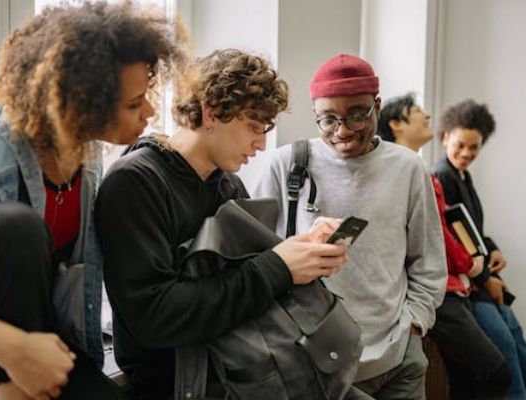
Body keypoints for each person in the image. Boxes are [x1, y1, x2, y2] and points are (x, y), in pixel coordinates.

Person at [0, 2, 182, 399]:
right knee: (13, 228)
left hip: (36, 341)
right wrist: (14, 349)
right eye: (134, 104)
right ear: (77, 104)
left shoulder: (86, 157)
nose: (149, 111)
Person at [95, 49, 362, 400]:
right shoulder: (134, 183)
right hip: (179, 386)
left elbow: (248, 284)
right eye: (254, 127)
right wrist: (279, 266)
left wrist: (303, 254)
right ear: (211, 112)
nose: (261, 144)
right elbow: (155, 316)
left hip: (249, 374)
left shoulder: (227, 185)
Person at [254, 54, 447, 400]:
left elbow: (428, 258)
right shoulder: (287, 165)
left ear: (377, 107)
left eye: (357, 115)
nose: (342, 131)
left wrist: (414, 325)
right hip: (314, 359)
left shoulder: (408, 168)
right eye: (328, 119)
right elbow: (254, 257)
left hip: (398, 358)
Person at [379, 93, 511, 399]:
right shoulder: (407, 173)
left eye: (474, 147)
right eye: (417, 110)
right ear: (396, 124)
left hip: (449, 287)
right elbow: (436, 235)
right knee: (495, 373)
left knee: (466, 379)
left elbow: (455, 228)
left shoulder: (419, 170)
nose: (427, 115)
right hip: (438, 291)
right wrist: (470, 265)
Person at [432, 99, 526, 399]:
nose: (466, 153)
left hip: (481, 278)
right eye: (460, 145)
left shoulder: (463, 176)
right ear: (445, 137)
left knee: (516, 339)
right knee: (506, 346)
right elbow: (454, 242)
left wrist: (493, 250)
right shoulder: (442, 176)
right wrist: (487, 279)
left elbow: (473, 230)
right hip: (469, 284)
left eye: (474, 148)